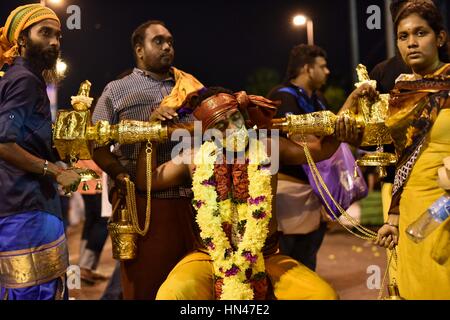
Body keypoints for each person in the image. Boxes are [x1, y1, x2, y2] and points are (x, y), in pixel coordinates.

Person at [140, 87, 366, 300]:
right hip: (210, 256)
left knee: (322, 295)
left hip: (265, 256)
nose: (231, 130)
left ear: (243, 117)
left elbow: (322, 149)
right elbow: (145, 180)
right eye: (220, 127)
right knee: (172, 293)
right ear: (207, 134)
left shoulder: (268, 148)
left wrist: (349, 108)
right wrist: (148, 134)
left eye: (234, 119)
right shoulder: (192, 158)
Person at [91, 20, 204, 299]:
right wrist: (120, 175)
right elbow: (97, 143)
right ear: (140, 50)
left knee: (191, 284)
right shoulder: (116, 90)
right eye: (158, 41)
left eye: (170, 41)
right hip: (143, 203)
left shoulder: (190, 88)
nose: (167, 46)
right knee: (146, 285)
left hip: (193, 200)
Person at [0, 4, 81, 300]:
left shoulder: (18, 77)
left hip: (22, 206)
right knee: (35, 291)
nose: (54, 42)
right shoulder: (24, 81)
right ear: (22, 40)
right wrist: (56, 171)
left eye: (58, 35)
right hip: (26, 209)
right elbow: (4, 143)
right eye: (44, 33)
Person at [372, 1, 450, 299]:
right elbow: (403, 158)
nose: (412, 43)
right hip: (414, 213)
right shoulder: (400, 94)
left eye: (421, 33)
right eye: (403, 36)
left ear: (440, 38)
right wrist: (392, 218)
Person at [267, 44, 332, 271]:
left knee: (307, 266)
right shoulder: (281, 97)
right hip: (288, 192)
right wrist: (322, 138)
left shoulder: (319, 100)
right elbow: (302, 143)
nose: (327, 72)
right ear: (307, 68)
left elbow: (324, 142)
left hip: (314, 193)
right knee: (285, 268)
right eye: (322, 67)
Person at [77, 160, 109, 285]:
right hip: (95, 181)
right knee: (103, 222)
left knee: (91, 222)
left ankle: (83, 265)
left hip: (85, 179)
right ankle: (85, 266)